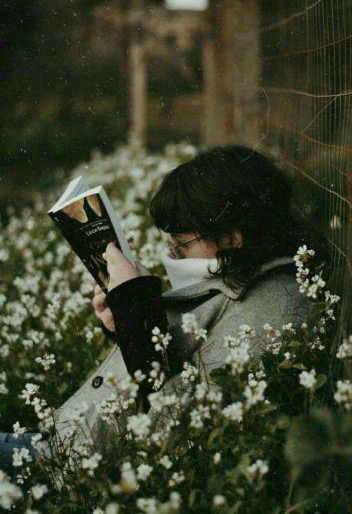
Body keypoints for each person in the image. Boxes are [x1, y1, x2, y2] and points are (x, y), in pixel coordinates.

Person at [0, 144, 330, 476]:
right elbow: (177, 364)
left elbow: (177, 431)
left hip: (65, 473)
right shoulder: (240, 277)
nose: (173, 253)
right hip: (53, 448)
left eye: (181, 244)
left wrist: (137, 319)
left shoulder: (270, 312)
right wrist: (123, 324)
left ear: (231, 238)